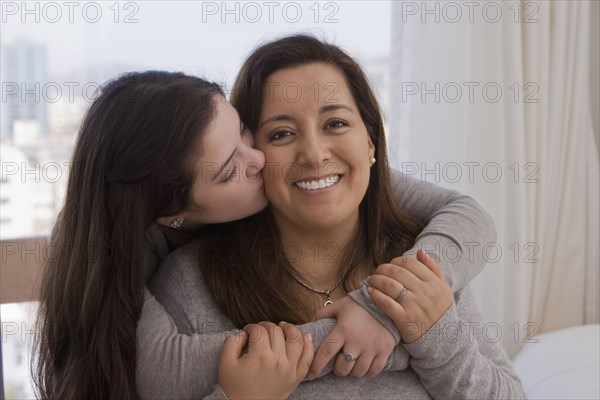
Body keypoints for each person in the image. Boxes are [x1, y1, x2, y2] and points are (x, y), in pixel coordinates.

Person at [33, 70, 494, 399]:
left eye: (243, 133)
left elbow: (469, 214)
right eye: (232, 168)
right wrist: (398, 326)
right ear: (175, 212)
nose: (258, 160)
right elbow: (160, 372)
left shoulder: (407, 245)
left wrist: (391, 313)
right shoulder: (151, 273)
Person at [140, 34, 524, 399]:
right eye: (282, 134)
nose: (314, 153)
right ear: (255, 156)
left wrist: (435, 336)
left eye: (335, 124)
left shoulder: (423, 257)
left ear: (370, 141)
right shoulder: (191, 283)